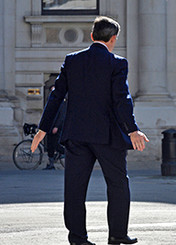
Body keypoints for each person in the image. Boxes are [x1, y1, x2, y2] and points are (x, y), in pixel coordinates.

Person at [31, 16, 149, 245]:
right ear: (113, 39)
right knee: (117, 184)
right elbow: (121, 99)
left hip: (77, 135)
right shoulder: (117, 63)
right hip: (109, 136)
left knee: (74, 188)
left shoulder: (72, 60)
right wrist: (132, 130)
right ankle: (117, 235)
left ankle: (77, 238)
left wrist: (42, 129)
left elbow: (56, 97)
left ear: (92, 36)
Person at [43, 85, 66, 170]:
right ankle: (51, 164)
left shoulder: (62, 102)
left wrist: (56, 126)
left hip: (57, 127)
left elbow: (62, 116)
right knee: (50, 145)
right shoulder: (51, 102)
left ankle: (67, 154)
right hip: (50, 126)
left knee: (56, 144)